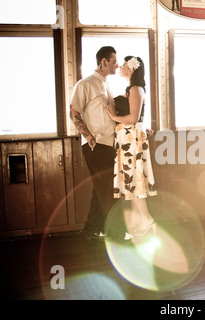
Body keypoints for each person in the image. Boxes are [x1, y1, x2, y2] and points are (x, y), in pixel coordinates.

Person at [70, 46, 125, 241]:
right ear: (103, 62)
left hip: (109, 144)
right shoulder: (85, 84)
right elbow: (74, 113)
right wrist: (90, 138)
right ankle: (117, 233)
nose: (116, 65)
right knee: (109, 190)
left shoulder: (106, 85)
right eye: (113, 61)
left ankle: (92, 229)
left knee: (101, 188)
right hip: (97, 144)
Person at [105, 56, 157, 239]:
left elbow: (133, 118)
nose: (120, 66)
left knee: (134, 178)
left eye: (125, 64)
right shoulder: (132, 89)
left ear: (132, 69)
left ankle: (147, 219)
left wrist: (113, 117)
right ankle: (142, 220)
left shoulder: (136, 88)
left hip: (130, 139)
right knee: (130, 180)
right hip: (126, 138)